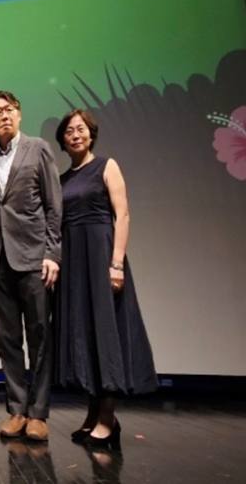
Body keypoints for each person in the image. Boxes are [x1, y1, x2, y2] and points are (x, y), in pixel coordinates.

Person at [54, 109, 157, 448]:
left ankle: (107, 420)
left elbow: (122, 214)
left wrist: (115, 263)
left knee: (105, 333)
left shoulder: (107, 166)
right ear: (63, 140)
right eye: (69, 131)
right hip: (74, 263)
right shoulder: (64, 178)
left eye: (80, 129)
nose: (75, 135)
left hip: (102, 258)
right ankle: (92, 413)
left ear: (91, 133)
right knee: (84, 335)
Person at [0, 90, 62, 441]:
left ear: (19, 113)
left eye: (9, 110)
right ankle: (17, 409)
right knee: (7, 339)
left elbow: (53, 205)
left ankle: (39, 414)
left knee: (40, 336)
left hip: (33, 258)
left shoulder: (38, 148)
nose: (3, 116)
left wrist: (52, 253)